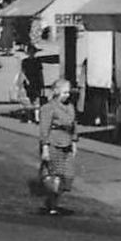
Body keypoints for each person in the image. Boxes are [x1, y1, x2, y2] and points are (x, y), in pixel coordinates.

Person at [37, 78, 79, 215]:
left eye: (68, 92)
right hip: (53, 144)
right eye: (64, 92)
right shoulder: (48, 108)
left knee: (67, 175)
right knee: (55, 175)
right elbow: (44, 129)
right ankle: (53, 205)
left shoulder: (70, 107)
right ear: (56, 92)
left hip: (67, 144)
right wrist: (45, 147)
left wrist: (74, 141)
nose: (67, 95)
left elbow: (74, 125)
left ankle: (53, 200)